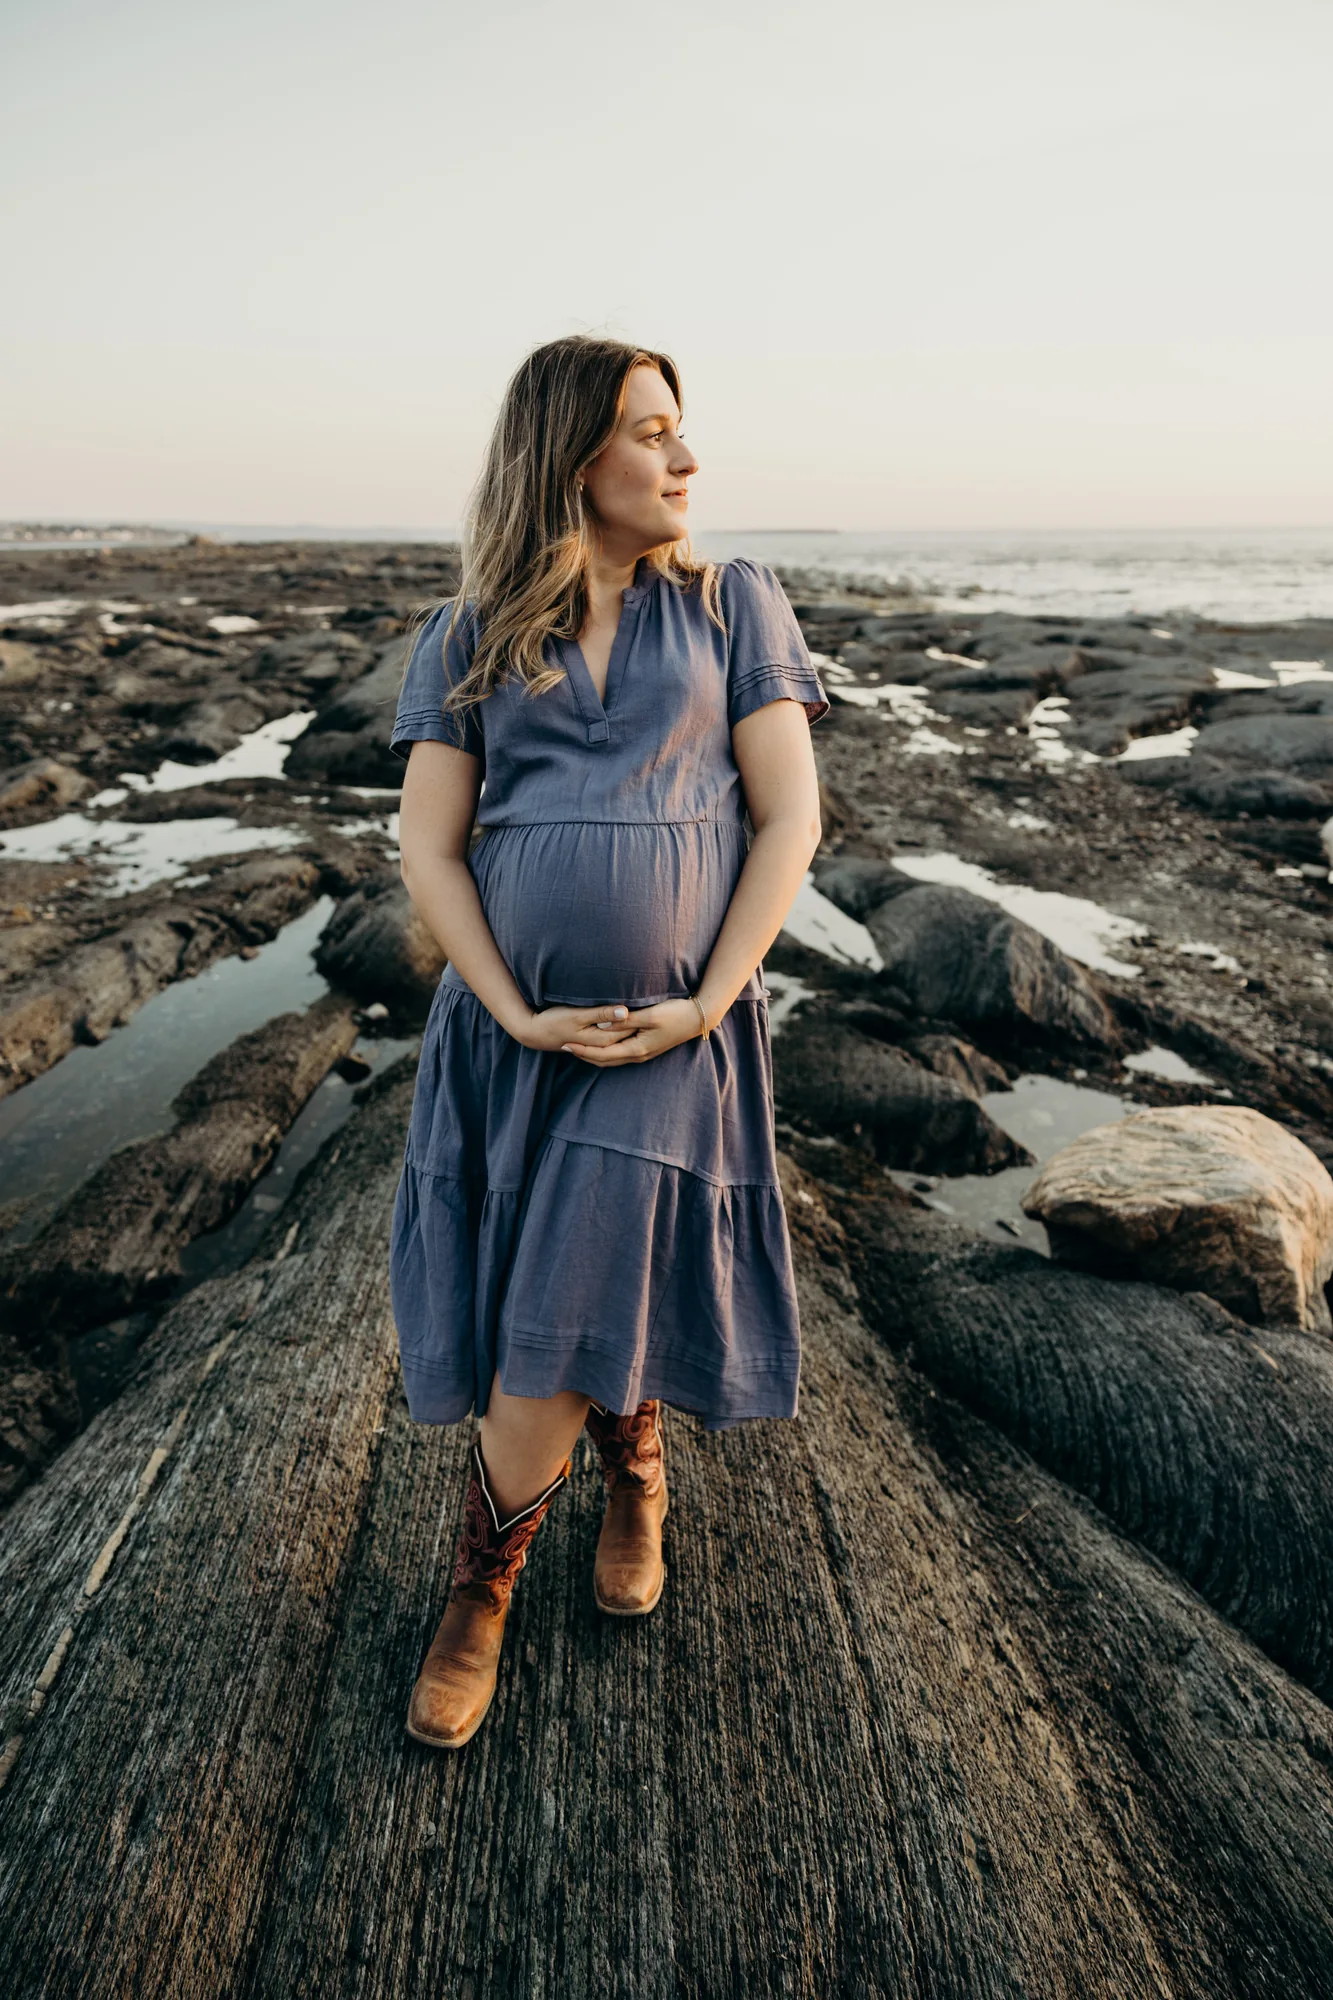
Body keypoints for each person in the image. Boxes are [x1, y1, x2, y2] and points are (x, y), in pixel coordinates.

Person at [390, 334, 829, 1749]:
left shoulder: (733, 605)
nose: (687, 458)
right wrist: (512, 1007)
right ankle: (634, 1456)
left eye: (681, 429)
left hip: (672, 1037)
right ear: (574, 458)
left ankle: (480, 1587)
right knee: (569, 1272)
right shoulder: (465, 637)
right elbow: (431, 845)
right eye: (654, 432)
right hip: (514, 1040)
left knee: (559, 1296)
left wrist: (708, 999)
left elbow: (790, 819)